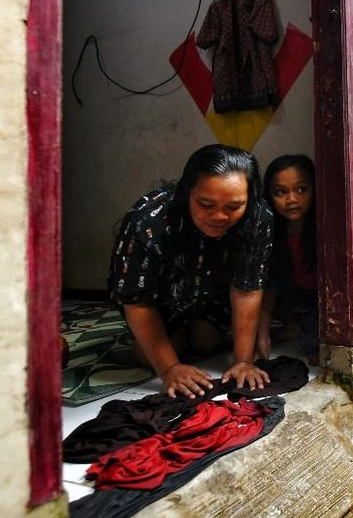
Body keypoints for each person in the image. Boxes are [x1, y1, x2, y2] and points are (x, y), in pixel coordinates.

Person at [109, 144, 273, 399]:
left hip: (211, 295)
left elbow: (247, 288)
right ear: (187, 193)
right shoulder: (148, 221)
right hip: (162, 300)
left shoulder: (258, 216)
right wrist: (169, 368)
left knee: (206, 343)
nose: (219, 216)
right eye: (206, 204)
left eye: (233, 207)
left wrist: (243, 360)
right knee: (148, 357)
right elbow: (137, 302)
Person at [256, 154, 319, 360]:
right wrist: (262, 334)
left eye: (301, 189)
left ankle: (296, 327)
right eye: (281, 192)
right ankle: (293, 325)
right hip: (292, 298)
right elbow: (270, 284)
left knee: (312, 344)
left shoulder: (324, 228)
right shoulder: (272, 232)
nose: (292, 199)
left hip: (322, 302)